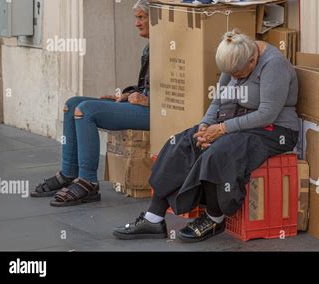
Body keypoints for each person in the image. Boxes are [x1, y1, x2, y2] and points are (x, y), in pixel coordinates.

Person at [113, 29, 299, 242]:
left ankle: (214, 218)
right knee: (182, 142)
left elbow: (267, 114)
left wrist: (221, 129)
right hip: (234, 121)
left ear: (252, 60)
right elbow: (218, 101)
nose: (235, 79)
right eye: (232, 75)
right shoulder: (234, 56)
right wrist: (205, 126)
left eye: (239, 75)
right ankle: (153, 218)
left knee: (216, 153)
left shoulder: (274, 65)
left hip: (273, 130)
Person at [30, 0, 152, 207]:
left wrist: (148, 99)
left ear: (156, 19)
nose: (137, 23)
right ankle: (69, 173)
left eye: (142, 17)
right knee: (73, 104)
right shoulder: (149, 48)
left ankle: (88, 182)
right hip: (142, 104)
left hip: (155, 112)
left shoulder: (170, 48)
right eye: (137, 17)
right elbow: (146, 86)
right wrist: (126, 95)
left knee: (86, 111)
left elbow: (175, 93)